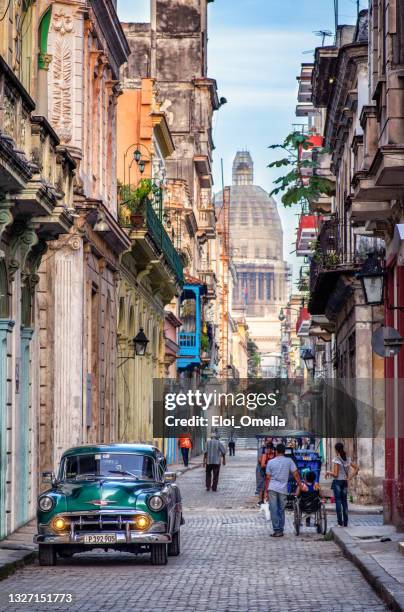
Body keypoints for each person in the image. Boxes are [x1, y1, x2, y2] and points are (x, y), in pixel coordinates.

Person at [265, 443, 301, 537]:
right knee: (281, 509)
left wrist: (266, 491)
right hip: (283, 489)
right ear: (284, 452)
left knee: (273, 509)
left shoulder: (270, 462)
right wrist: (300, 484)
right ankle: (280, 529)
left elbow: (268, 478)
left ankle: (277, 530)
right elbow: (296, 474)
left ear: (276, 451)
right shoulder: (289, 461)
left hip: (272, 488)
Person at [325, 442, 359, 527]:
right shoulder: (347, 458)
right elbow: (357, 468)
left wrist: (328, 472)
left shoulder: (337, 460)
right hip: (344, 482)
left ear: (336, 450)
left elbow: (336, 474)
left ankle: (340, 523)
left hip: (338, 482)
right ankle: (346, 523)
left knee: (338, 502)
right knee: (345, 502)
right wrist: (350, 477)